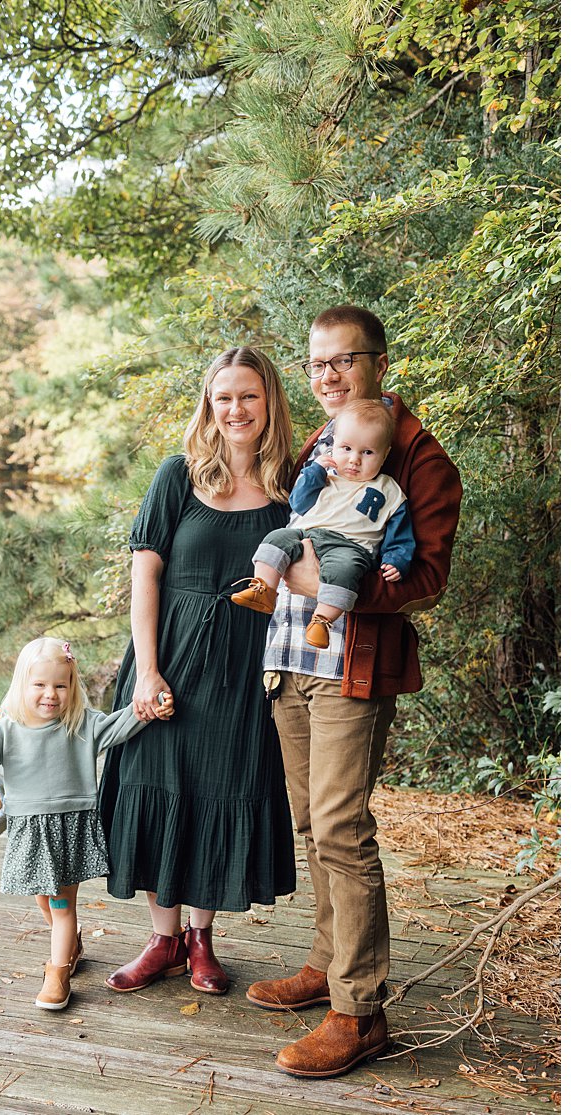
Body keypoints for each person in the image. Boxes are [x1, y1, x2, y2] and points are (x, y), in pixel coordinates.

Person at [244, 305, 462, 1079]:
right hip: (289, 656)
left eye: (343, 361)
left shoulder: (421, 460)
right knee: (312, 823)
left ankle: (359, 1009)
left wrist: (326, 583)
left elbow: (427, 577)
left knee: (342, 825)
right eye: (317, 364)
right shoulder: (323, 440)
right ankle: (326, 963)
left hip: (352, 664)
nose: (328, 376)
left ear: (378, 361)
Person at [97, 345, 297, 997]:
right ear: (208, 405)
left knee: (217, 790)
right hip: (171, 660)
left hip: (245, 670)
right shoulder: (178, 475)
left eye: (248, 396)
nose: (235, 409)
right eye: (223, 397)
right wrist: (147, 670)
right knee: (159, 790)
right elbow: (145, 572)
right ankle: (162, 938)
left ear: (269, 402)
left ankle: (201, 941)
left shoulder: (293, 486)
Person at [0, 636, 173, 1011]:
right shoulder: (7, 727)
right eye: (39, 685)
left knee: (61, 903)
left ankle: (57, 974)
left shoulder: (81, 724)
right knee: (43, 895)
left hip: (69, 825)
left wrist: (148, 708)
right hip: (28, 826)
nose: (50, 695)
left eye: (60, 685)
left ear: (72, 686)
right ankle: (70, 946)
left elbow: (120, 726)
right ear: (22, 685)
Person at [229, 399, 414, 649]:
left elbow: (400, 534)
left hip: (351, 547)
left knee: (344, 571)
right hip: (308, 534)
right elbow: (298, 502)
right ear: (333, 445)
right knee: (277, 537)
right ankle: (263, 588)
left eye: (367, 452)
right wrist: (314, 472)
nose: (354, 460)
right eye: (346, 448)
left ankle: (322, 620)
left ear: (385, 453)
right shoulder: (325, 477)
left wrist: (397, 559)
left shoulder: (389, 489)